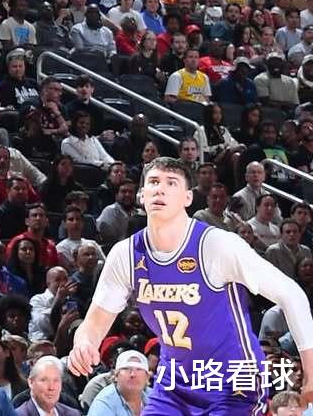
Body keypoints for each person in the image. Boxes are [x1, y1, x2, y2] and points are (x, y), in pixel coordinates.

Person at [69, 156, 313, 413]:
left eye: (171, 183)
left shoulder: (216, 245)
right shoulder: (126, 254)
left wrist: (310, 369)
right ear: (142, 195)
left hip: (233, 381)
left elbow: (292, 295)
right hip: (175, 380)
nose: (160, 189)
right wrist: (84, 343)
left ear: (188, 197)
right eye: (154, 182)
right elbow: (95, 321)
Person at [83, 353, 150, 416]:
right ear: (116, 376)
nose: (133, 374)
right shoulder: (103, 403)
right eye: (126, 369)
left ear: (147, 377)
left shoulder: (152, 395)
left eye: (139, 369)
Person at [12, 357, 78, 416]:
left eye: (56, 380)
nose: (51, 387)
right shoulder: (19, 414)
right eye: (44, 380)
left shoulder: (73, 414)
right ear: (31, 382)